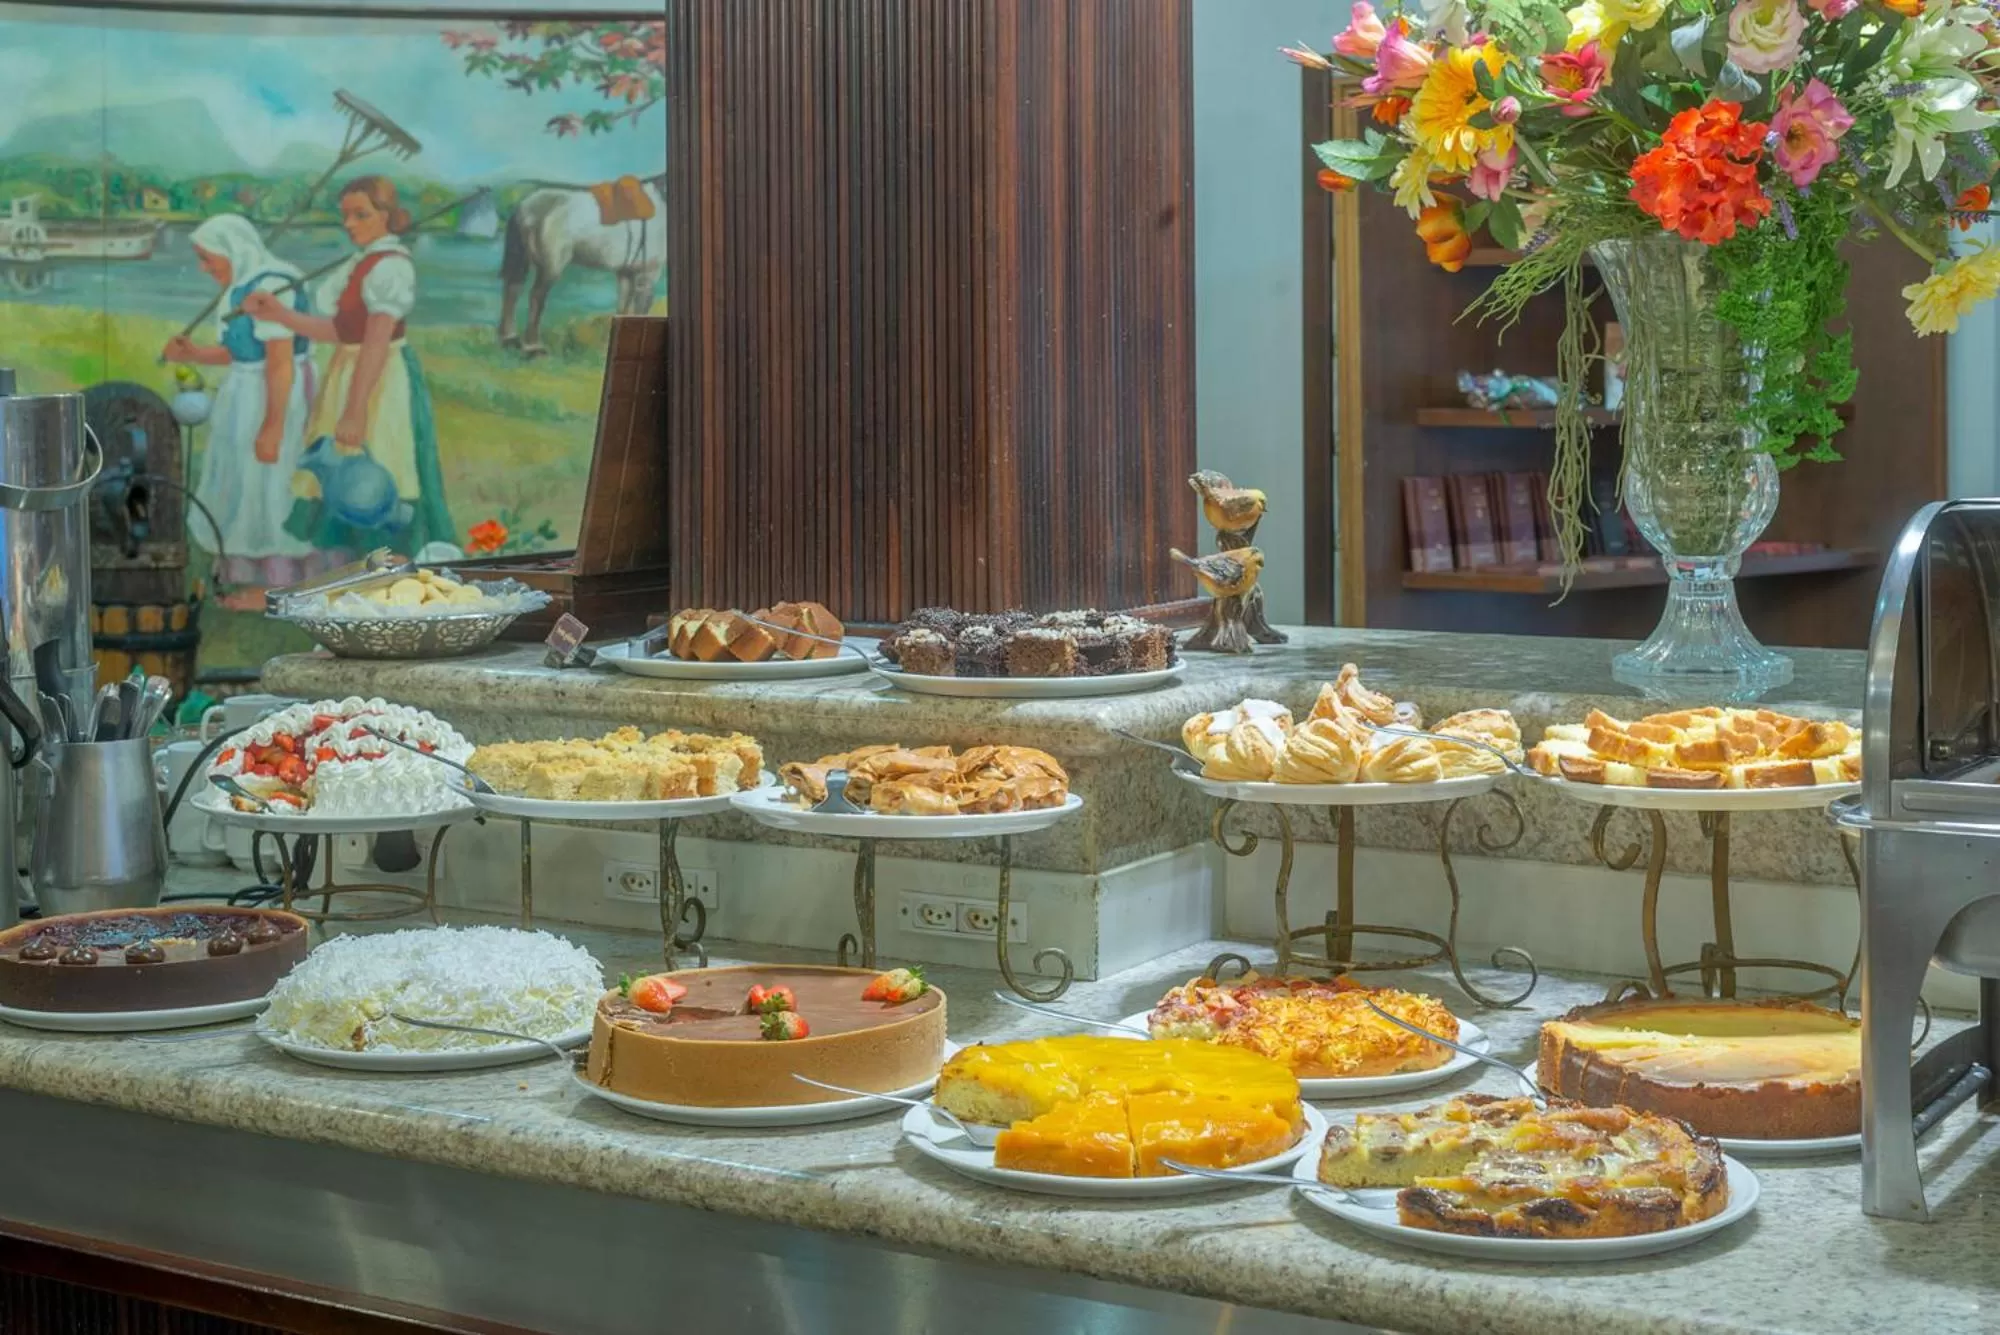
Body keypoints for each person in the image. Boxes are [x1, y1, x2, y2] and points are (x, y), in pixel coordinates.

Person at [242, 174, 452, 556]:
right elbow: (341, 331)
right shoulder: (364, 261)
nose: (349, 224)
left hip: (380, 380)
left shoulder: (391, 267)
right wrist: (280, 313)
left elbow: (374, 341)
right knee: (341, 472)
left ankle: (393, 566)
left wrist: (355, 411)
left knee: (380, 466)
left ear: (387, 216)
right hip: (351, 370)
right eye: (346, 215)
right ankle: (352, 567)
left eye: (361, 215)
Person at [162, 214, 317, 609]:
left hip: (276, 393)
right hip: (246, 391)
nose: (204, 267)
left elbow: (279, 362)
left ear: (232, 250)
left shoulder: (271, 284)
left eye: (208, 258)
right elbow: (243, 352)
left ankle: (279, 585)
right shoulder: (241, 287)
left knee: (270, 481)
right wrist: (195, 354)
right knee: (240, 481)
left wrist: (273, 426)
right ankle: (244, 577)